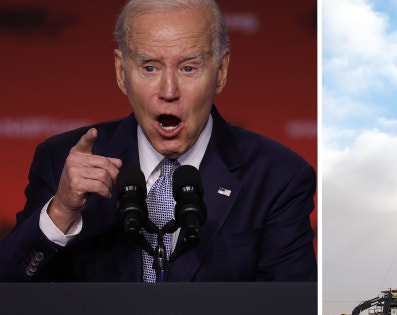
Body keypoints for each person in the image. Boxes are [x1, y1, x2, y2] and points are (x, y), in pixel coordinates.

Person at [0, 0, 317, 282]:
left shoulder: (279, 176)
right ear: (122, 72)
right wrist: (61, 212)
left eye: (188, 68)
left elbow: (290, 308)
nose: (168, 91)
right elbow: (10, 295)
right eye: (149, 67)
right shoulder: (61, 162)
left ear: (220, 71)